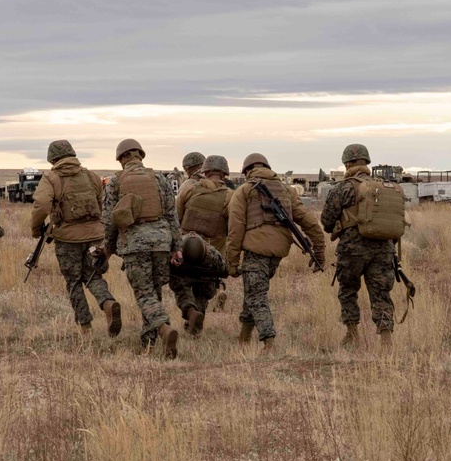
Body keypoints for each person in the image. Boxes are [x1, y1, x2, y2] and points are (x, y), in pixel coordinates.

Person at [226, 153, 326, 351]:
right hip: (279, 251)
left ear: (247, 171)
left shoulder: (244, 191)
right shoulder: (286, 191)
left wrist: (232, 262)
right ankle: (244, 337)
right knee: (254, 290)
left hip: (256, 249)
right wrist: (319, 250)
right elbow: (309, 222)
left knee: (256, 296)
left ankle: (268, 340)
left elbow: (235, 229)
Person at [30, 139, 122, 338]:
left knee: (73, 282)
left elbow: (41, 205)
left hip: (67, 239)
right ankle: (108, 303)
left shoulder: (51, 178)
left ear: (52, 158)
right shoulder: (91, 176)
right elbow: (101, 204)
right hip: (95, 237)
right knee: (94, 276)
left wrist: (36, 228)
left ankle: (85, 327)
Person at [101, 138, 183, 357]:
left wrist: (107, 250)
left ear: (122, 158)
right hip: (162, 242)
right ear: (140, 155)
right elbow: (172, 215)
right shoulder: (159, 179)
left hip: (135, 243)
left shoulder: (115, 182)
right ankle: (148, 342)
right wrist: (177, 246)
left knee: (144, 294)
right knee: (154, 292)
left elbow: (110, 221)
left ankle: (165, 329)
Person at [321, 144, 404, 348]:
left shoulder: (344, 188)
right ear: (366, 162)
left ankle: (352, 334)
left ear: (347, 163)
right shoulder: (383, 187)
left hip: (352, 250)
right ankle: (386, 340)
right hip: (383, 249)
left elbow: (326, 221)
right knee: (381, 293)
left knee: (348, 290)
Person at [171, 154, 233, 334]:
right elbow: (232, 230)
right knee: (203, 291)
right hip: (211, 256)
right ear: (225, 174)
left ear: (204, 171)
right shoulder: (230, 196)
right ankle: (196, 321)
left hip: (185, 250)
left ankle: (189, 312)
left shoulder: (188, 190)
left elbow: (175, 219)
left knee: (181, 284)